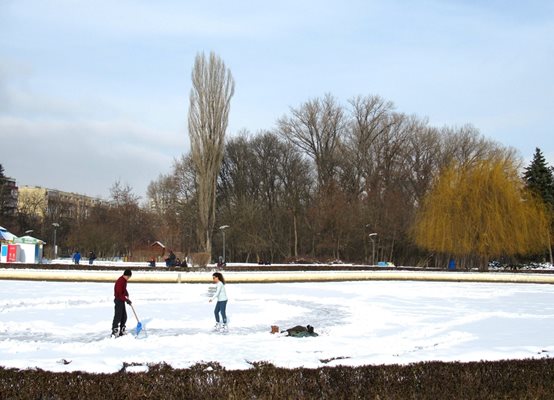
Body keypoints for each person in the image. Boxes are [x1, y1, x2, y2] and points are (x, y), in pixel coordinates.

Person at [112, 269, 132, 336]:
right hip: (118, 300)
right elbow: (119, 293)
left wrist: (126, 294)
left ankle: (122, 330)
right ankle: (114, 331)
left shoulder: (124, 280)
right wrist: (126, 300)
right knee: (118, 316)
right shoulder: (120, 281)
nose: (128, 278)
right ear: (125, 275)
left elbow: (123, 290)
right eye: (128, 277)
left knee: (124, 316)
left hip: (121, 300)